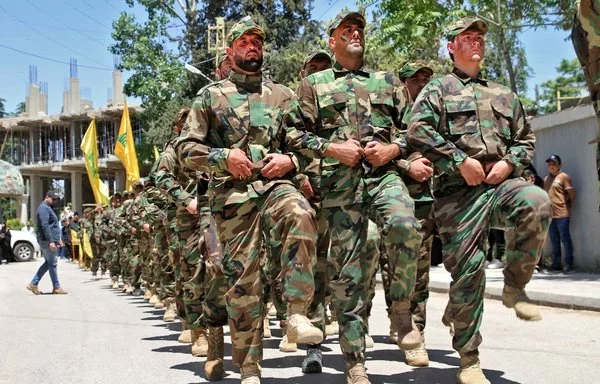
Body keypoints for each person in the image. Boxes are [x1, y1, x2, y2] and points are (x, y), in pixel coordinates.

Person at [174, 18, 322, 384]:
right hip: (233, 197)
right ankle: (249, 366)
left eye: (258, 40)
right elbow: (185, 150)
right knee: (243, 282)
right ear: (231, 50)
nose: (252, 46)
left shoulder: (283, 96)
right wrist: (223, 157)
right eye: (244, 41)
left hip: (274, 187)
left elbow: (307, 146)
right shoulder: (211, 95)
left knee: (301, 214)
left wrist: (293, 161)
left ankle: (297, 313)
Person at [407, 18, 551, 384]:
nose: (476, 43)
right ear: (451, 47)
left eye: (479, 38)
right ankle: (469, 359)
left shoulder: (503, 94)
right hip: (458, 194)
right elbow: (417, 130)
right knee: (468, 275)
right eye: (467, 38)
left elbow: (525, 139)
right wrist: (459, 160)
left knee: (536, 200)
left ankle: (515, 286)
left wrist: (508, 163)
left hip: (500, 184)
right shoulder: (438, 89)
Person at [290, 11, 423, 383]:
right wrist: (333, 149)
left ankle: (400, 310)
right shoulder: (313, 85)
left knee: (404, 224)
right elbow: (293, 135)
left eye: (360, 29)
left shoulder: (386, 81)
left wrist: (394, 151)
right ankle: (355, 362)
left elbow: (414, 129)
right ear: (332, 40)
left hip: (382, 177)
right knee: (347, 274)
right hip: (339, 186)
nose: (355, 33)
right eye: (347, 29)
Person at [26, 191, 68, 295]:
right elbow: (45, 225)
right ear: (46, 197)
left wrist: (58, 239)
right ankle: (56, 287)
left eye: (56, 200)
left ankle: (34, 284)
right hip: (46, 240)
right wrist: (51, 241)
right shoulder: (43, 208)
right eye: (53, 199)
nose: (55, 201)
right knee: (52, 263)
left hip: (50, 240)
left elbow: (53, 225)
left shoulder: (49, 207)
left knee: (49, 263)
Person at [544, 154, 576, 273]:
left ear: (559, 165)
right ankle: (556, 264)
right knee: (554, 240)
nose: (551, 166)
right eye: (549, 164)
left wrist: (567, 203)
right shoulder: (546, 179)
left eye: (554, 164)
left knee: (565, 239)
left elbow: (571, 193)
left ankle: (569, 264)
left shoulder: (563, 177)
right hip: (550, 215)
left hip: (562, 214)